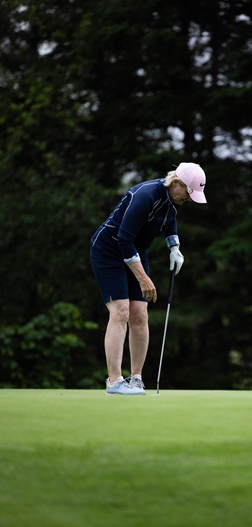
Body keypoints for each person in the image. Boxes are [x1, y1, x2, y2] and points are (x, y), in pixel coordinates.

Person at [90, 162, 207, 395]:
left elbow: (170, 220)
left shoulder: (172, 200)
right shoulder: (146, 195)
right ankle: (114, 381)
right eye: (188, 193)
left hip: (135, 251)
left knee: (140, 314)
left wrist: (174, 246)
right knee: (121, 311)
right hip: (109, 251)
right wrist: (143, 278)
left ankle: (136, 378)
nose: (188, 199)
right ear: (176, 182)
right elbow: (123, 239)